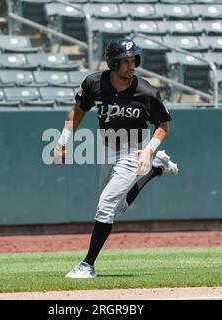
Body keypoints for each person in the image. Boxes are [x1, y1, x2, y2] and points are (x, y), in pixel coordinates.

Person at [54, 38, 179, 279]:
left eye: (134, 60)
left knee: (106, 207)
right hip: (109, 150)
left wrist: (148, 150)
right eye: (125, 61)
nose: (131, 65)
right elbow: (78, 111)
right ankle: (155, 170)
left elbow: (163, 124)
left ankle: (87, 265)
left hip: (135, 149)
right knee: (116, 208)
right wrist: (62, 142)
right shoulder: (94, 83)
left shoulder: (146, 91)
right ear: (112, 62)